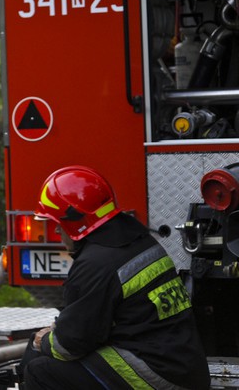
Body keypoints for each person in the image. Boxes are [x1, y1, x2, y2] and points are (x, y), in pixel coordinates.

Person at [20, 165, 210, 390]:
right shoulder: (140, 239)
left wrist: (41, 341)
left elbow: (68, 346)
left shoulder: (95, 264)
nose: (57, 232)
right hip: (187, 370)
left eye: (57, 224)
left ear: (72, 222)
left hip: (157, 377)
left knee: (38, 368)